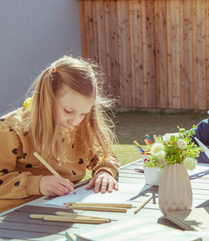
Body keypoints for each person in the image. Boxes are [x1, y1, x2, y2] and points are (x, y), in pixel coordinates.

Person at [0, 56, 120, 213]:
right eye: (68, 111)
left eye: (83, 113)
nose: (75, 121)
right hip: (14, 218)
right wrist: (37, 184)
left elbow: (104, 155)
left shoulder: (78, 127)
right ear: (47, 98)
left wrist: (105, 171)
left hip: (59, 212)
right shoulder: (10, 130)